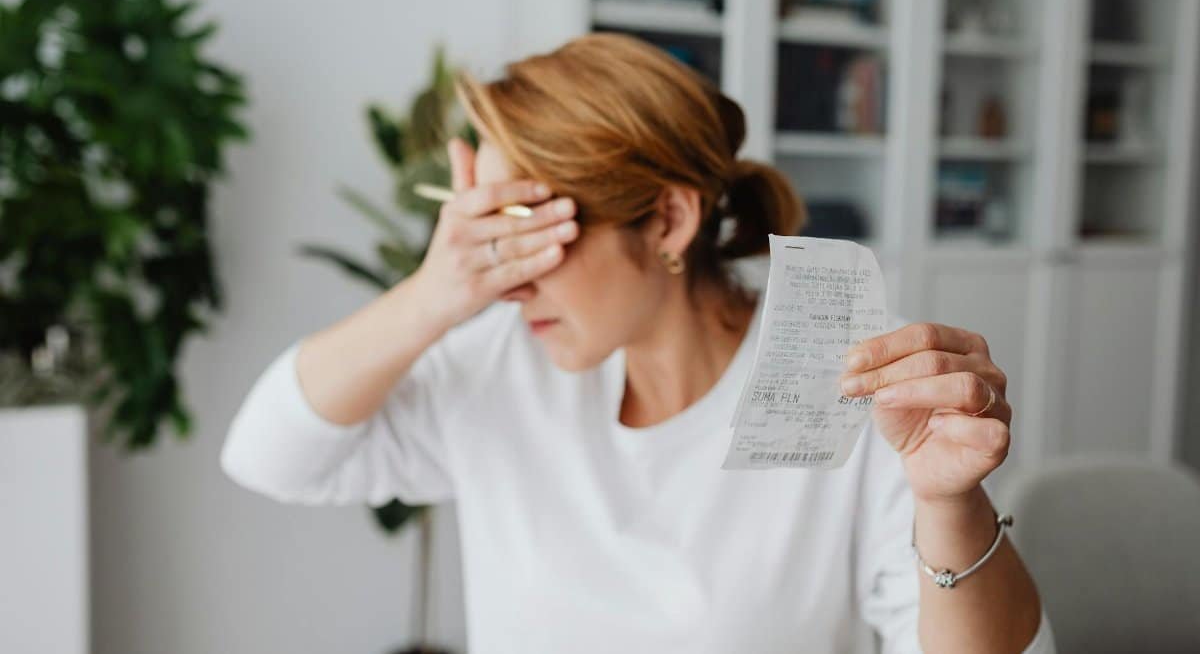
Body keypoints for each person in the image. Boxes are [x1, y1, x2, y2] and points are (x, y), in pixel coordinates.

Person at [221, 32, 1055, 653]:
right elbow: (269, 457)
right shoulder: (504, 363)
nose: (509, 284)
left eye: (529, 234)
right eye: (490, 242)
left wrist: (949, 504)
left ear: (667, 218)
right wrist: (435, 293)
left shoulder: (845, 382)